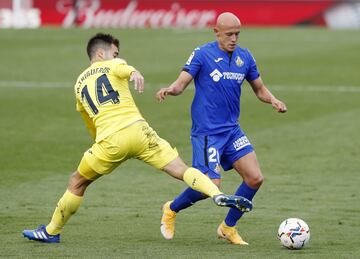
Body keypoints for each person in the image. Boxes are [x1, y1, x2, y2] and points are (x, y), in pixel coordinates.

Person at [22, 33, 253, 243]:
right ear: (101, 53)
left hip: (109, 141)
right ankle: (217, 194)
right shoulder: (113, 64)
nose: (117, 56)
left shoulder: (79, 83)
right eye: (114, 53)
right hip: (140, 132)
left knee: (77, 182)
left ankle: (51, 231)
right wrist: (134, 72)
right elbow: (125, 68)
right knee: (182, 170)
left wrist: (99, 142)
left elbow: (89, 122)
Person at [156, 12, 287, 245]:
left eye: (237, 34)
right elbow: (182, 82)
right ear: (216, 32)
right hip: (207, 133)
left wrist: (273, 100)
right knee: (210, 187)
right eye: (229, 34)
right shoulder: (202, 54)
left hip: (232, 131)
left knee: (255, 178)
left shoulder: (244, 57)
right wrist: (170, 90)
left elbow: (259, 89)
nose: (234, 39)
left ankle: (228, 227)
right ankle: (171, 208)